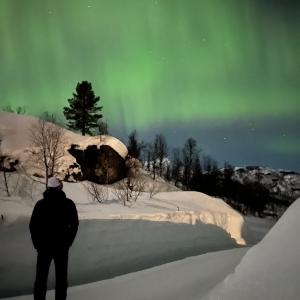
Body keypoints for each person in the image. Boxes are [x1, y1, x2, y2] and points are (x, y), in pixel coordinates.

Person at [29, 177, 79, 300]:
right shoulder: (68, 204)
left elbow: (33, 226)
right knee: (61, 279)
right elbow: (74, 224)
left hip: (44, 248)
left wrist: (37, 244)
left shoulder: (40, 204)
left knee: (41, 279)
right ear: (59, 187)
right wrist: (68, 242)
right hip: (61, 248)